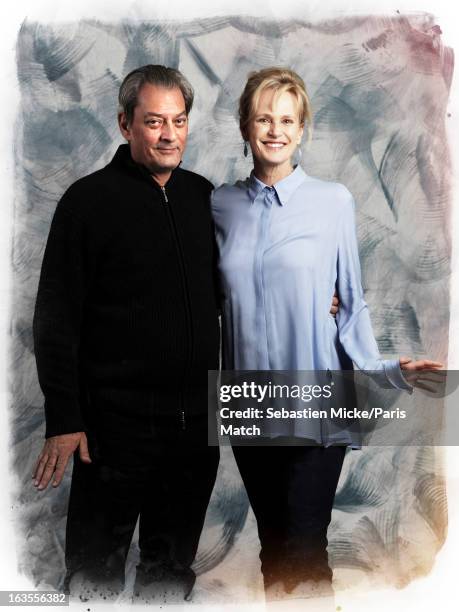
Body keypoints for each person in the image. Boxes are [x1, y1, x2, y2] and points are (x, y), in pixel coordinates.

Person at [210, 67, 443, 602]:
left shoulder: (333, 200)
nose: (275, 130)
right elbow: (204, 298)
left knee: (306, 545)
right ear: (246, 125)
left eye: (287, 120)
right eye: (264, 118)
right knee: (273, 546)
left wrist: (387, 370)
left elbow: (351, 302)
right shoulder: (218, 206)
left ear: (301, 129)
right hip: (250, 403)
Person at [31, 64, 222, 602]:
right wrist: (65, 418)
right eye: (154, 121)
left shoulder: (203, 198)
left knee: (169, 571)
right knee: (94, 572)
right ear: (125, 124)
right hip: (112, 432)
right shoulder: (87, 202)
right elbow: (55, 317)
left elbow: (231, 292)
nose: (169, 135)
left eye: (179, 121)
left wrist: (313, 298)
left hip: (193, 429)